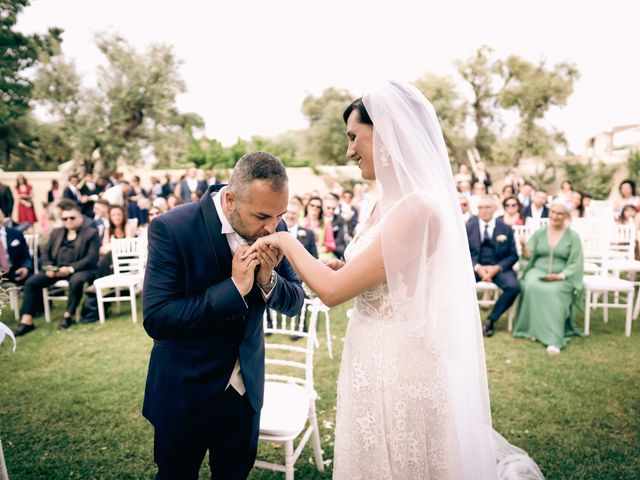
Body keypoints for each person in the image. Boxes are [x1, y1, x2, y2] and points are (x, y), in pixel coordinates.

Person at [245, 82, 542, 479]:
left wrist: (284, 238)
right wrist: (341, 268)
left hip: (400, 363)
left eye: (354, 137)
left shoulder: (418, 208)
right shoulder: (382, 203)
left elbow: (333, 294)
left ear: (386, 133)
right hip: (370, 351)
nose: (349, 150)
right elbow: (371, 275)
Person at [142, 151, 305, 479]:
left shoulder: (275, 224)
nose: (271, 228)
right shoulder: (172, 228)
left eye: (279, 216)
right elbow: (157, 317)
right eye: (262, 216)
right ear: (230, 199)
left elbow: (295, 301)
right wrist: (232, 289)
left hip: (245, 393)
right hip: (185, 390)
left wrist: (267, 280)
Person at [13, 202, 100, 335]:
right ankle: (26, 320)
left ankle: (68, 315)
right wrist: (48, 268)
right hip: (56, 270)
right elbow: (46, 253)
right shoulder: (57, 232)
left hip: (80, 269)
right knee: (31, 281)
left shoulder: (91, 233)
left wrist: (70, 269)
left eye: (72, 218)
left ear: (80, 217)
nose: (68, 221)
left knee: (77, 281)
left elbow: (91, 258)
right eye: (65, 218)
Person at [514, 198, 584, 354]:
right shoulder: (540, 233)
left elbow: (576, 262)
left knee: (553, 291)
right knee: (531, 285)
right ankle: (532, 331)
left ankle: (553, 339)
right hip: (538, 271)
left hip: (561, 275)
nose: (555, 216)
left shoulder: (573, 237)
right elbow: (528, 256)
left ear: (566, 216)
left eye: (560, 213)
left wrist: (561, 276)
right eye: (553, 211)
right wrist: (524, 246)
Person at [467, 195, 521, 336]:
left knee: (514, 287)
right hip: (475, 268)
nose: (483, 210)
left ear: (495, 208)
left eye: (487, 207)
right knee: (457, 283)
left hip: (499, 268)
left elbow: (513, 255)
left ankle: (491, 319)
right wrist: (478, 267)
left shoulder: (506, 229)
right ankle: (467, 320)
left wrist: (497, 268)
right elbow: (462, 253)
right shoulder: (468, 227)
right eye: (480, 207)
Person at [0, 209, 33, 284]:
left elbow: (26, 256)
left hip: (15, 272)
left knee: (33, 282)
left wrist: (25, 267)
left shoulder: (16, 233)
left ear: (3, 216)